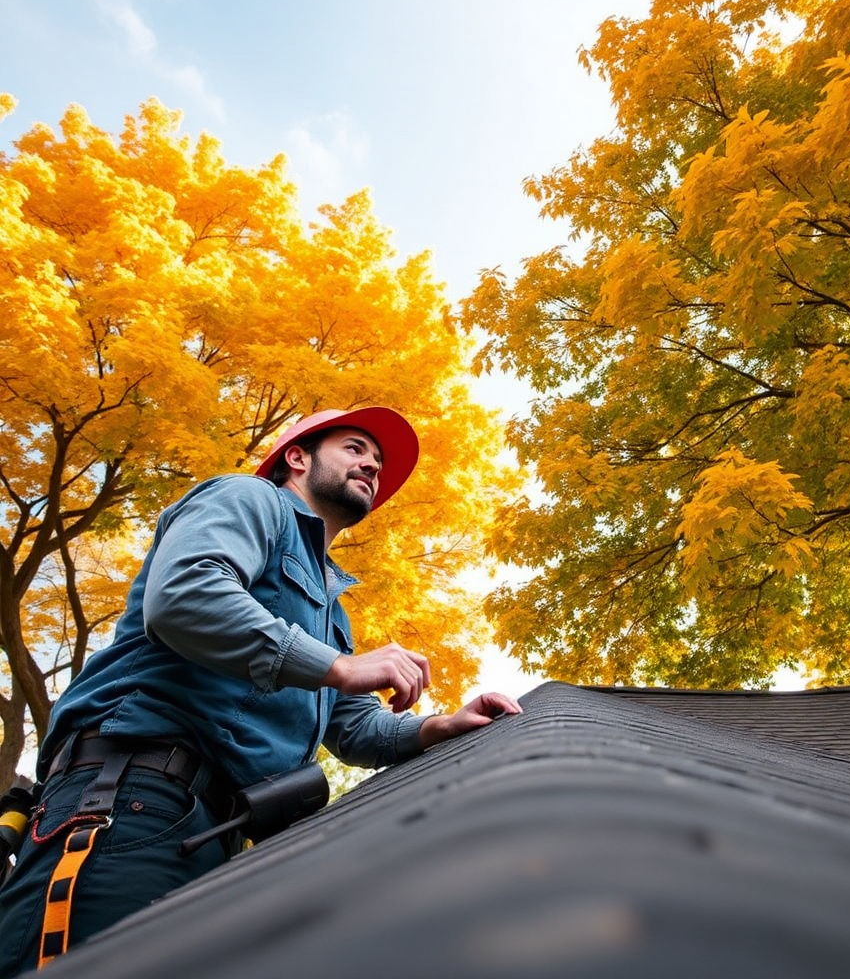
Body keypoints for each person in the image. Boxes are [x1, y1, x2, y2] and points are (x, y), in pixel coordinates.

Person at [0, 407, 522, 975]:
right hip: (127, 801)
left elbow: (353, 730)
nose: (372, 463)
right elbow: (185, 597)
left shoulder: (332, 614)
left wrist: (438, 726)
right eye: (354, 448)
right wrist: (341, 667)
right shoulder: (249, 500)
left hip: (218, 838)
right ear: (297, 458)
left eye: (377, 460)